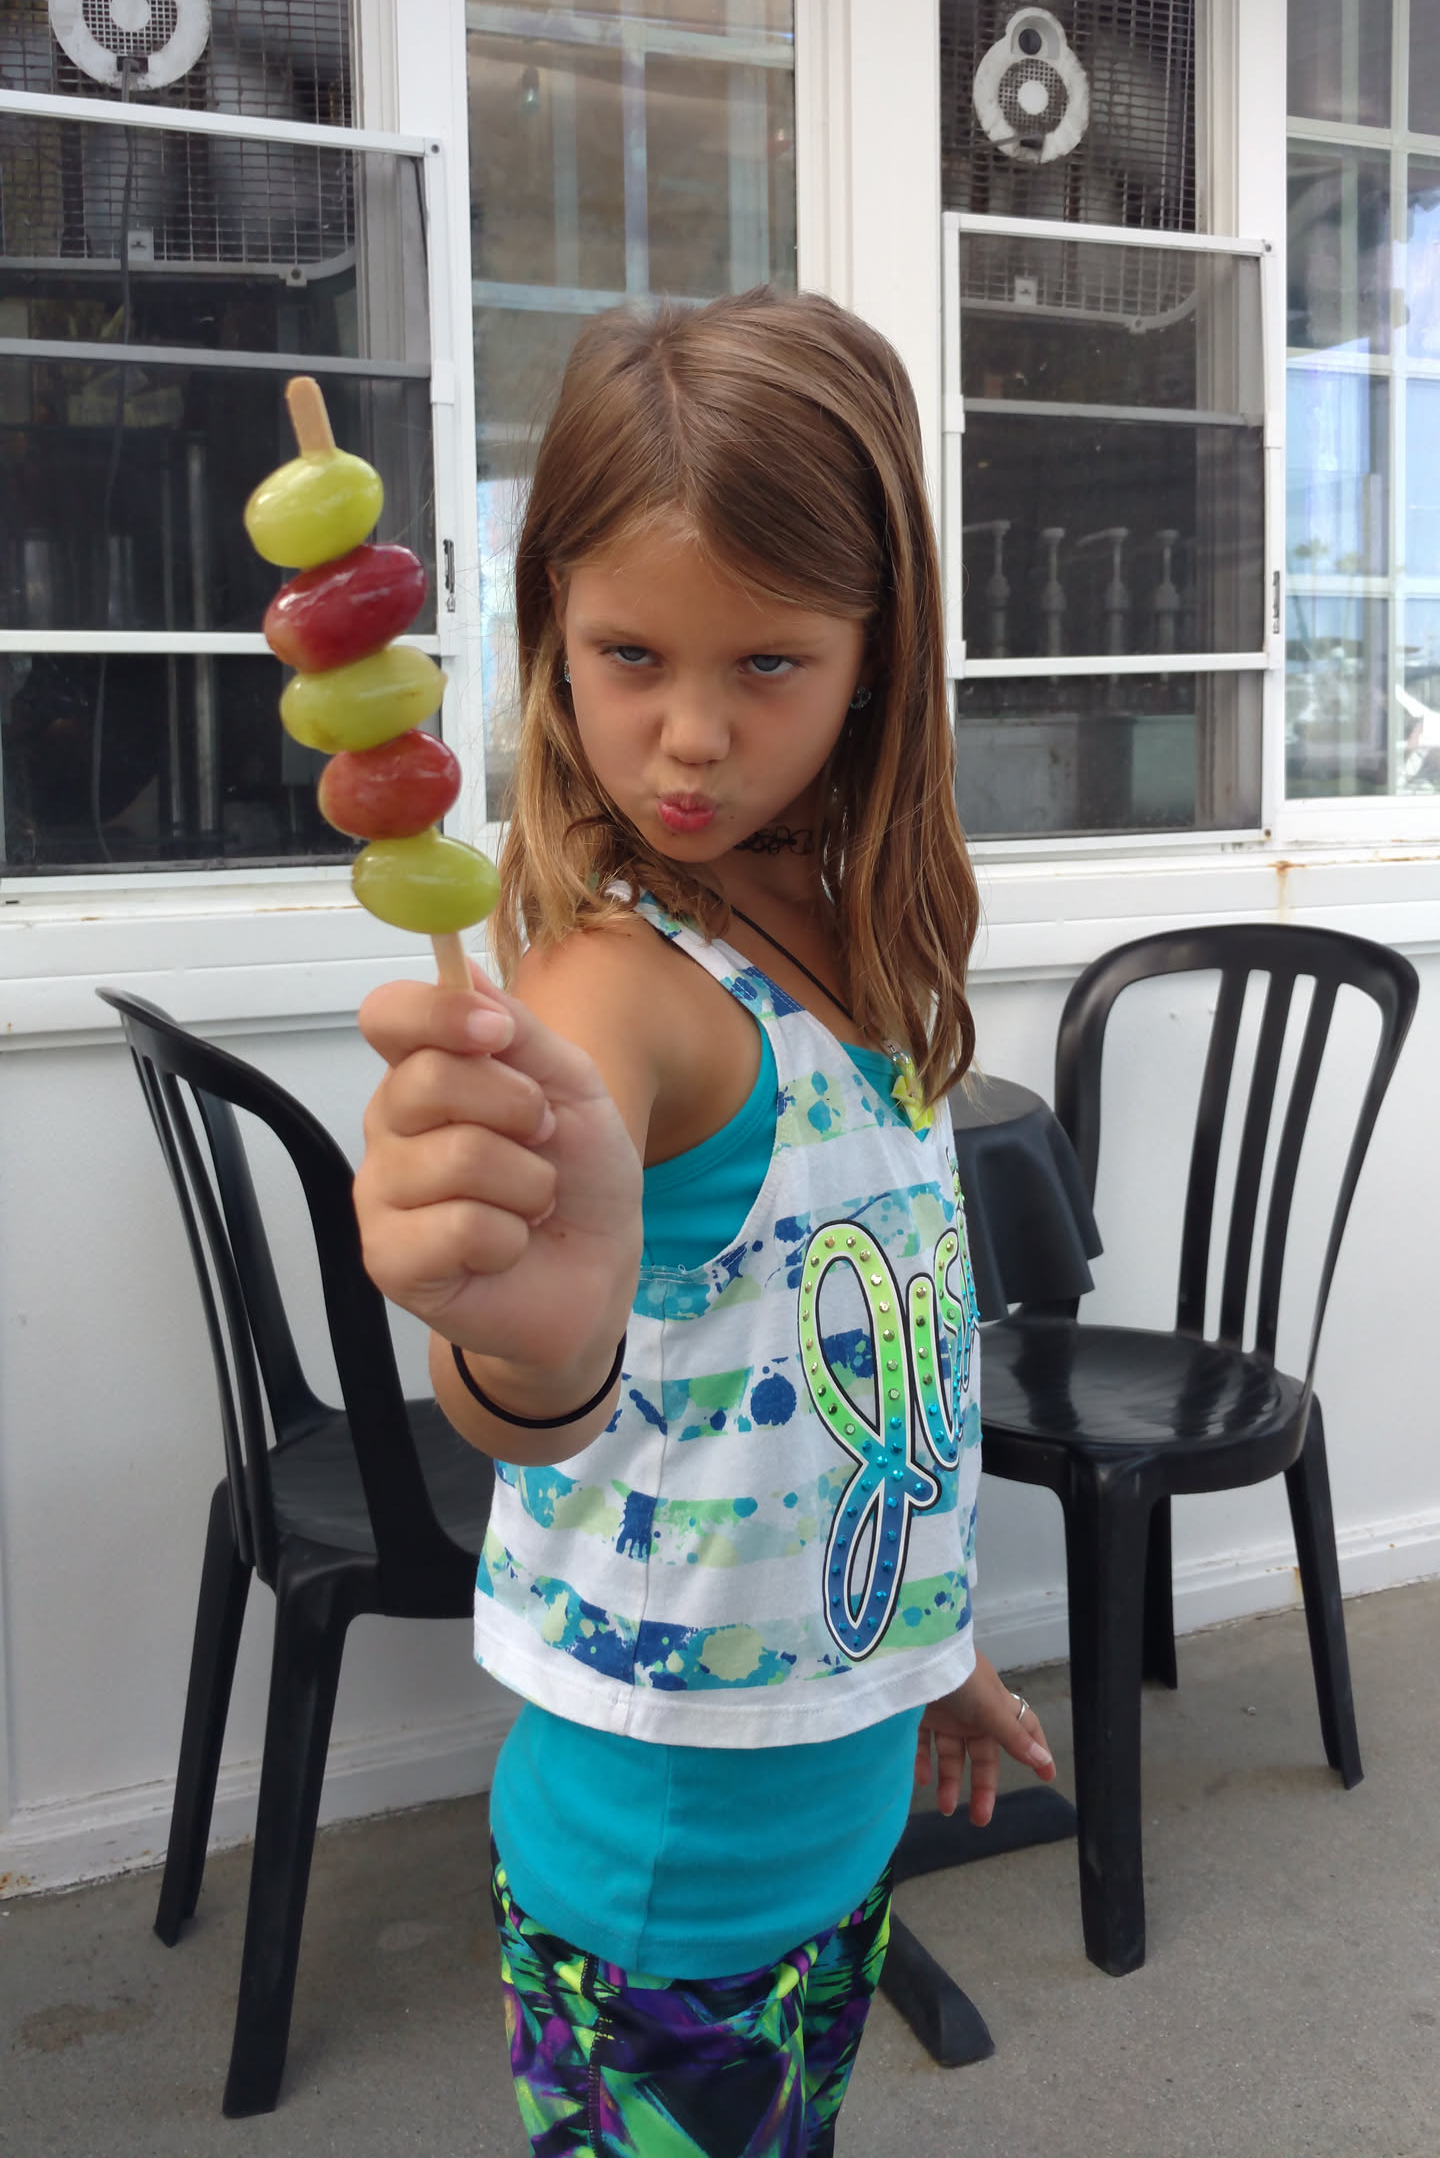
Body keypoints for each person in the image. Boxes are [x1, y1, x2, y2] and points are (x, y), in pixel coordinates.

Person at [353, 289, 1056, 2158]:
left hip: (833, 1801)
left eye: (769, 663)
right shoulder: (617, 993)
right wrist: (525, 1336)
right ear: (552, 635)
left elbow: (861, 1409)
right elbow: (535, 1392)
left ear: (878, 659)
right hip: (666, 1872)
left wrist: (934, 1659)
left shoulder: (853, 954)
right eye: (629, 653)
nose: (687, 737)